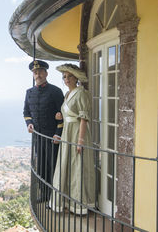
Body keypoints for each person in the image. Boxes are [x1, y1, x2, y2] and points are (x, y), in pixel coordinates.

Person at [49, 63, 95, 214]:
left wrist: (80, 141)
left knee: (77, 167)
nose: (66, 79)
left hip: (76, 133)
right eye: (64, 77)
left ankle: (79, 205)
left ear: (76, 77)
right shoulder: (67, 94)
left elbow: (83, 118)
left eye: (69, 76)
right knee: (65, 165)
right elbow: (70, 112)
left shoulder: (82, 93)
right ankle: (66, 201)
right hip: (67, 133)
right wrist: (60, 116)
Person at [23, 60, 64, 202]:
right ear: (33, 75)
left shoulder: (55, 91)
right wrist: (29, 124)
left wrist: (58, 134)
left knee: (53, 165)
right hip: (37, 137)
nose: (38, 74)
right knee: (40, 166)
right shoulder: (29, 93)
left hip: (52, 136)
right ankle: (45, 193)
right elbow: (26, 112)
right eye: (35, 72)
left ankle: (55, 195)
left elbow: (62, 114)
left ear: (46, 73)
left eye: (40, 71)